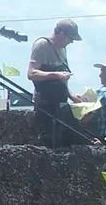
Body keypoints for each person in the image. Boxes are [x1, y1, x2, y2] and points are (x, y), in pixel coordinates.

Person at [28, 18, 85, 146]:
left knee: (73, 140)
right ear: (62, 34)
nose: (71, 43)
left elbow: (61, 79)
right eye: (70, 39)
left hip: (61, 103)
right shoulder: (42, 45)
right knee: (48, 142)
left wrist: (71, 95)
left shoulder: (63, 50)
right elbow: (31, 73)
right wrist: (56, 75)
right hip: (45, 104)